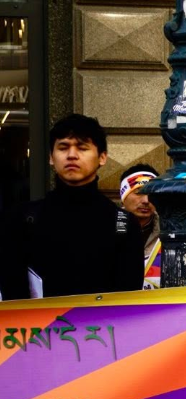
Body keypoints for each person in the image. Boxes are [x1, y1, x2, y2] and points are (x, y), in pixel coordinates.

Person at [0, 114, 142, 299]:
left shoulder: (123, 224)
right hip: (39, 327)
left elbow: (128, 302)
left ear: (102, 157)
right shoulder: (21, 219)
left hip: (103, 327)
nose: (72, 155)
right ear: (51, 157)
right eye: (63, 147)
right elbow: (14, 299)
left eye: (82, 148)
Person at [119, 163, 161, 288]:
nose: (146, 201)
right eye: (138, 192)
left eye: (151, 193)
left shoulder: (169, 232)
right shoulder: (105, 227)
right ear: (123, 195)